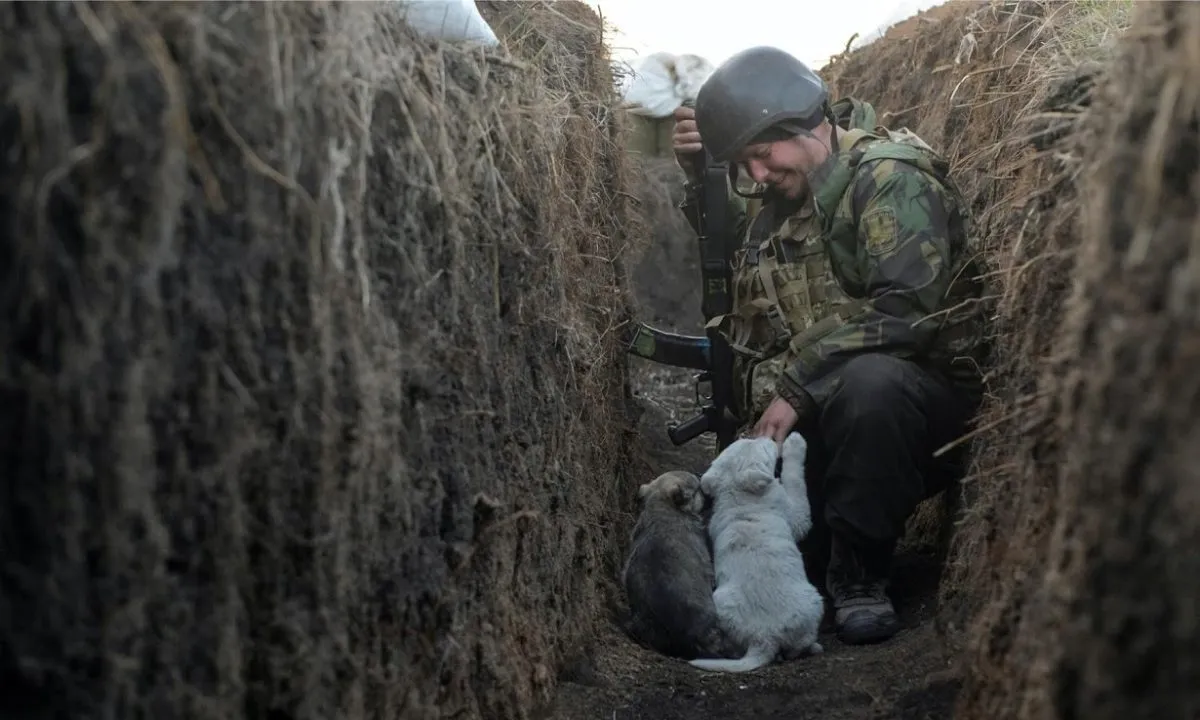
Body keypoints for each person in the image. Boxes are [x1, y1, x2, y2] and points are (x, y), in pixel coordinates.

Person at [671, 46, 988, 645]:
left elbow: (908, 312)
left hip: (915, 413)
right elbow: (745, 263)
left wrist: (796, 387)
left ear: (805, 124)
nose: (758, 176)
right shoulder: (791, 197)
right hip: (830, 419)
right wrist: (703, 176)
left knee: (874, 383)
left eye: (763, 155)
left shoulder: (888, 181)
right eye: (746, 165)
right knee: (778, 555)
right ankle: (829, 552)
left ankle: (862, 578)